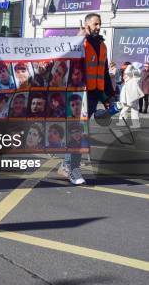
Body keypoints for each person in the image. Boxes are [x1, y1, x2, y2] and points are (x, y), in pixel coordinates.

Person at [60, 13, 115, 185]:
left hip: (93, 95)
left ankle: (67, 164)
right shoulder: (80, 42)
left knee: (78, 132)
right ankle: (71, 168)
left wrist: (106, 96)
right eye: (95, 24)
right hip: (78, 94)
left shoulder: (102, 45)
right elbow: (65, 56)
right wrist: (77, 37)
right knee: (78, 132)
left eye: (100, 24)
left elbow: (103, 72)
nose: (98, 27)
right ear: (86, 25)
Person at [117, 63, 143, 129]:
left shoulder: (137, 72)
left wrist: (130, 66)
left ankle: (135, 124)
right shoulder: (132, 73)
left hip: (133, 93)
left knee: (133, 108)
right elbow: (127, 73)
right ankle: (123, 122)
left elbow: (127, 71)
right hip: (128, 92)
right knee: (126, 107)